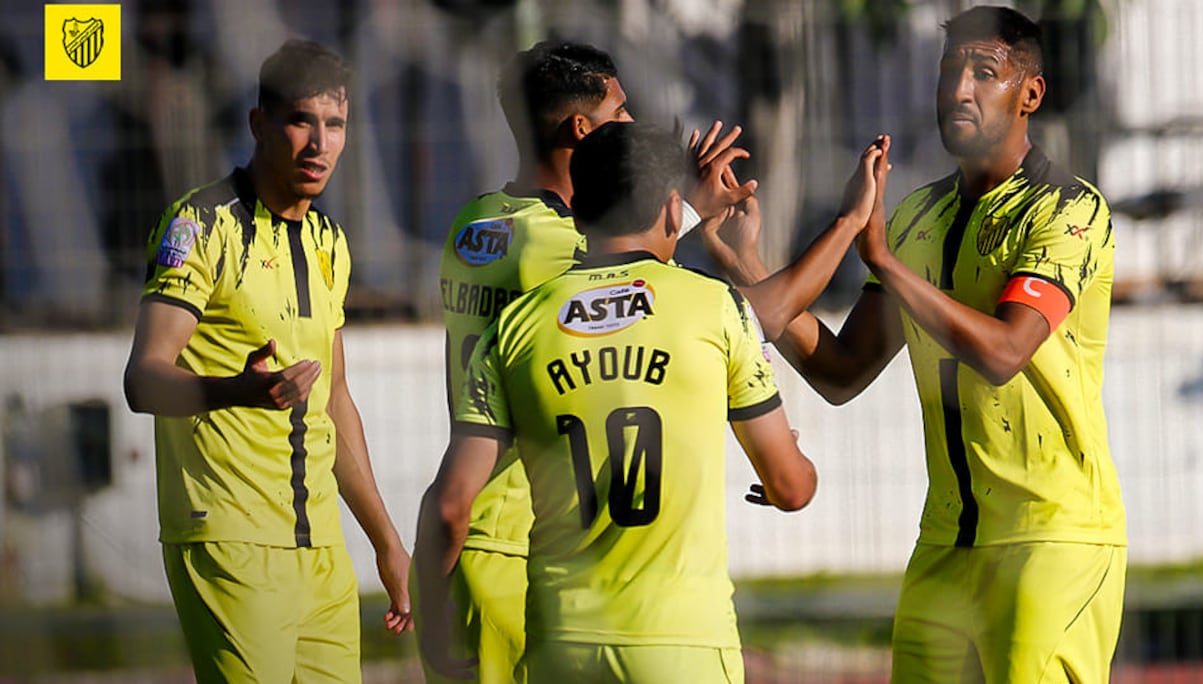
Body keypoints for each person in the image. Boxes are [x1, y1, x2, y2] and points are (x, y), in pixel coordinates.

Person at [705, 6, 1126, 682]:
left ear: (1030, 95)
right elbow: (843, 372)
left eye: (984, 72)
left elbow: (1004, 352)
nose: (959, 88)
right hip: (944, 547)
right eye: (950, 69)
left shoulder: (1068, 209)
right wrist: (746, 264)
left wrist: (885, 263)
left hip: (1051, 541)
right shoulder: (916, 216)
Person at [416, 121, 843, 683]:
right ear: (673, 209)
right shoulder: (717, 308)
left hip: (562, 643)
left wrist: (434, 622)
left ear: (576, 212)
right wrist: (790, 461)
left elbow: (449, 507)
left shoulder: (516, 326)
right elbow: (792, 488)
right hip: (683, 644)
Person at [426, 40, 756, 683]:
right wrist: (681, 203)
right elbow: (653, 302)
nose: (632, 125)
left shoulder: (477, 223)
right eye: (621, 112)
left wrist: (672, 202)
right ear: (583, 128)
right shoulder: (550, 249)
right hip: (520, 544)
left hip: (472, 534)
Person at [123, 39, 412, 683]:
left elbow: (336, 400)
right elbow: (143, 379)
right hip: (230, 537)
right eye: (299, 121)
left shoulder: (329, 241)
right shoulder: (200, 223)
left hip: (323, 550)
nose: (319, 144)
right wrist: (239, 391)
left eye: (334, 124)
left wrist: (387, 543)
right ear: (259, 124)